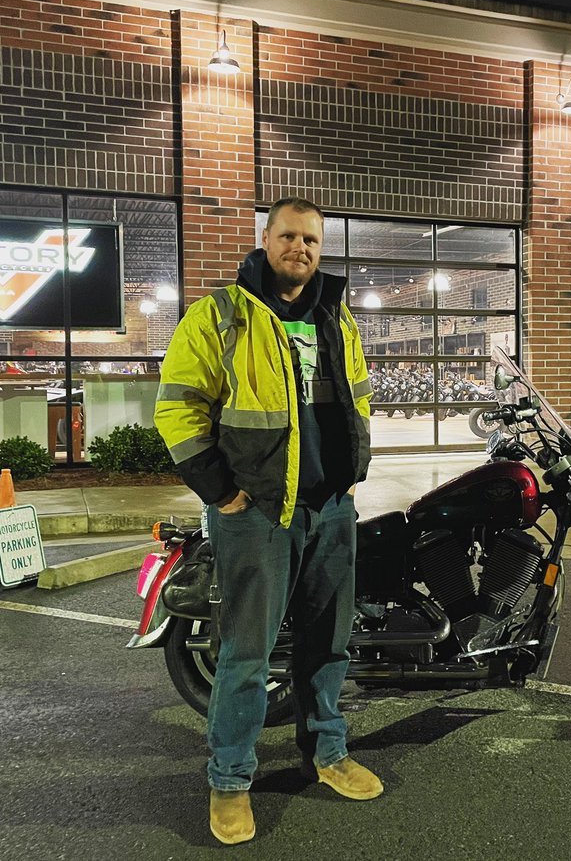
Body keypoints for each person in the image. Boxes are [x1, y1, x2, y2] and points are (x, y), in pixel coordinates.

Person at [154, 196, 379, 845]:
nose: (300, 248)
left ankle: (328, 753)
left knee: (327, 647)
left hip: (330, 509)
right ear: (266, 238)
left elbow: (357, 397)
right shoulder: (220, 315)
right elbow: (177, 409)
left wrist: (350, 477)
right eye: (289, 236)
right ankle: (229, 782)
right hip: (254, 513)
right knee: (248, 656)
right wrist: (220, 491)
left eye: (311, 240)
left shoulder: (335, 316)